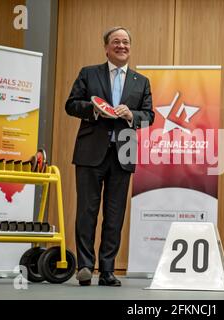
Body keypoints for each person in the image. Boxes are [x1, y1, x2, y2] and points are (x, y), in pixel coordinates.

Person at [65, 26, 154, 286]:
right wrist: (94, 110)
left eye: (126, 42)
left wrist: (131, 115)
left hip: (123, 153)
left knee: (114, 215)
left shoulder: (141, 82)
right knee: (86, 211)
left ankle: (107, 270)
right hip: (90, 152)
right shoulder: (88, 73)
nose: (121, 46)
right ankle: (84, 267)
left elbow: (149, 116)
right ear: (106, 47)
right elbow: (71, 104)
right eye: (116, 41)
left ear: (130, 47)